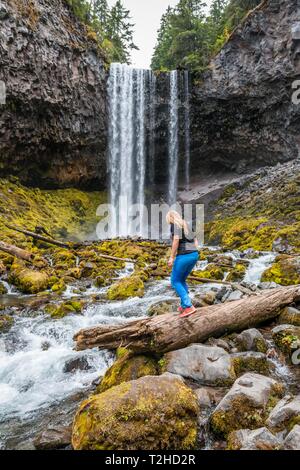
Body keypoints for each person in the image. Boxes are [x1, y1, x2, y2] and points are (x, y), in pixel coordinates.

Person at [166, 210, 199, 318]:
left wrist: (171, 257)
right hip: (194, 254)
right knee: (182, 280)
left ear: (170, 218)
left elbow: (176, 240)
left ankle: (188, 306)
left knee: (175, 281)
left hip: (184, 256)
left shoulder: (174, 225)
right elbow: (195, 240)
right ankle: (184, 305)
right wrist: (194, 250)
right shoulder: (187, 225)